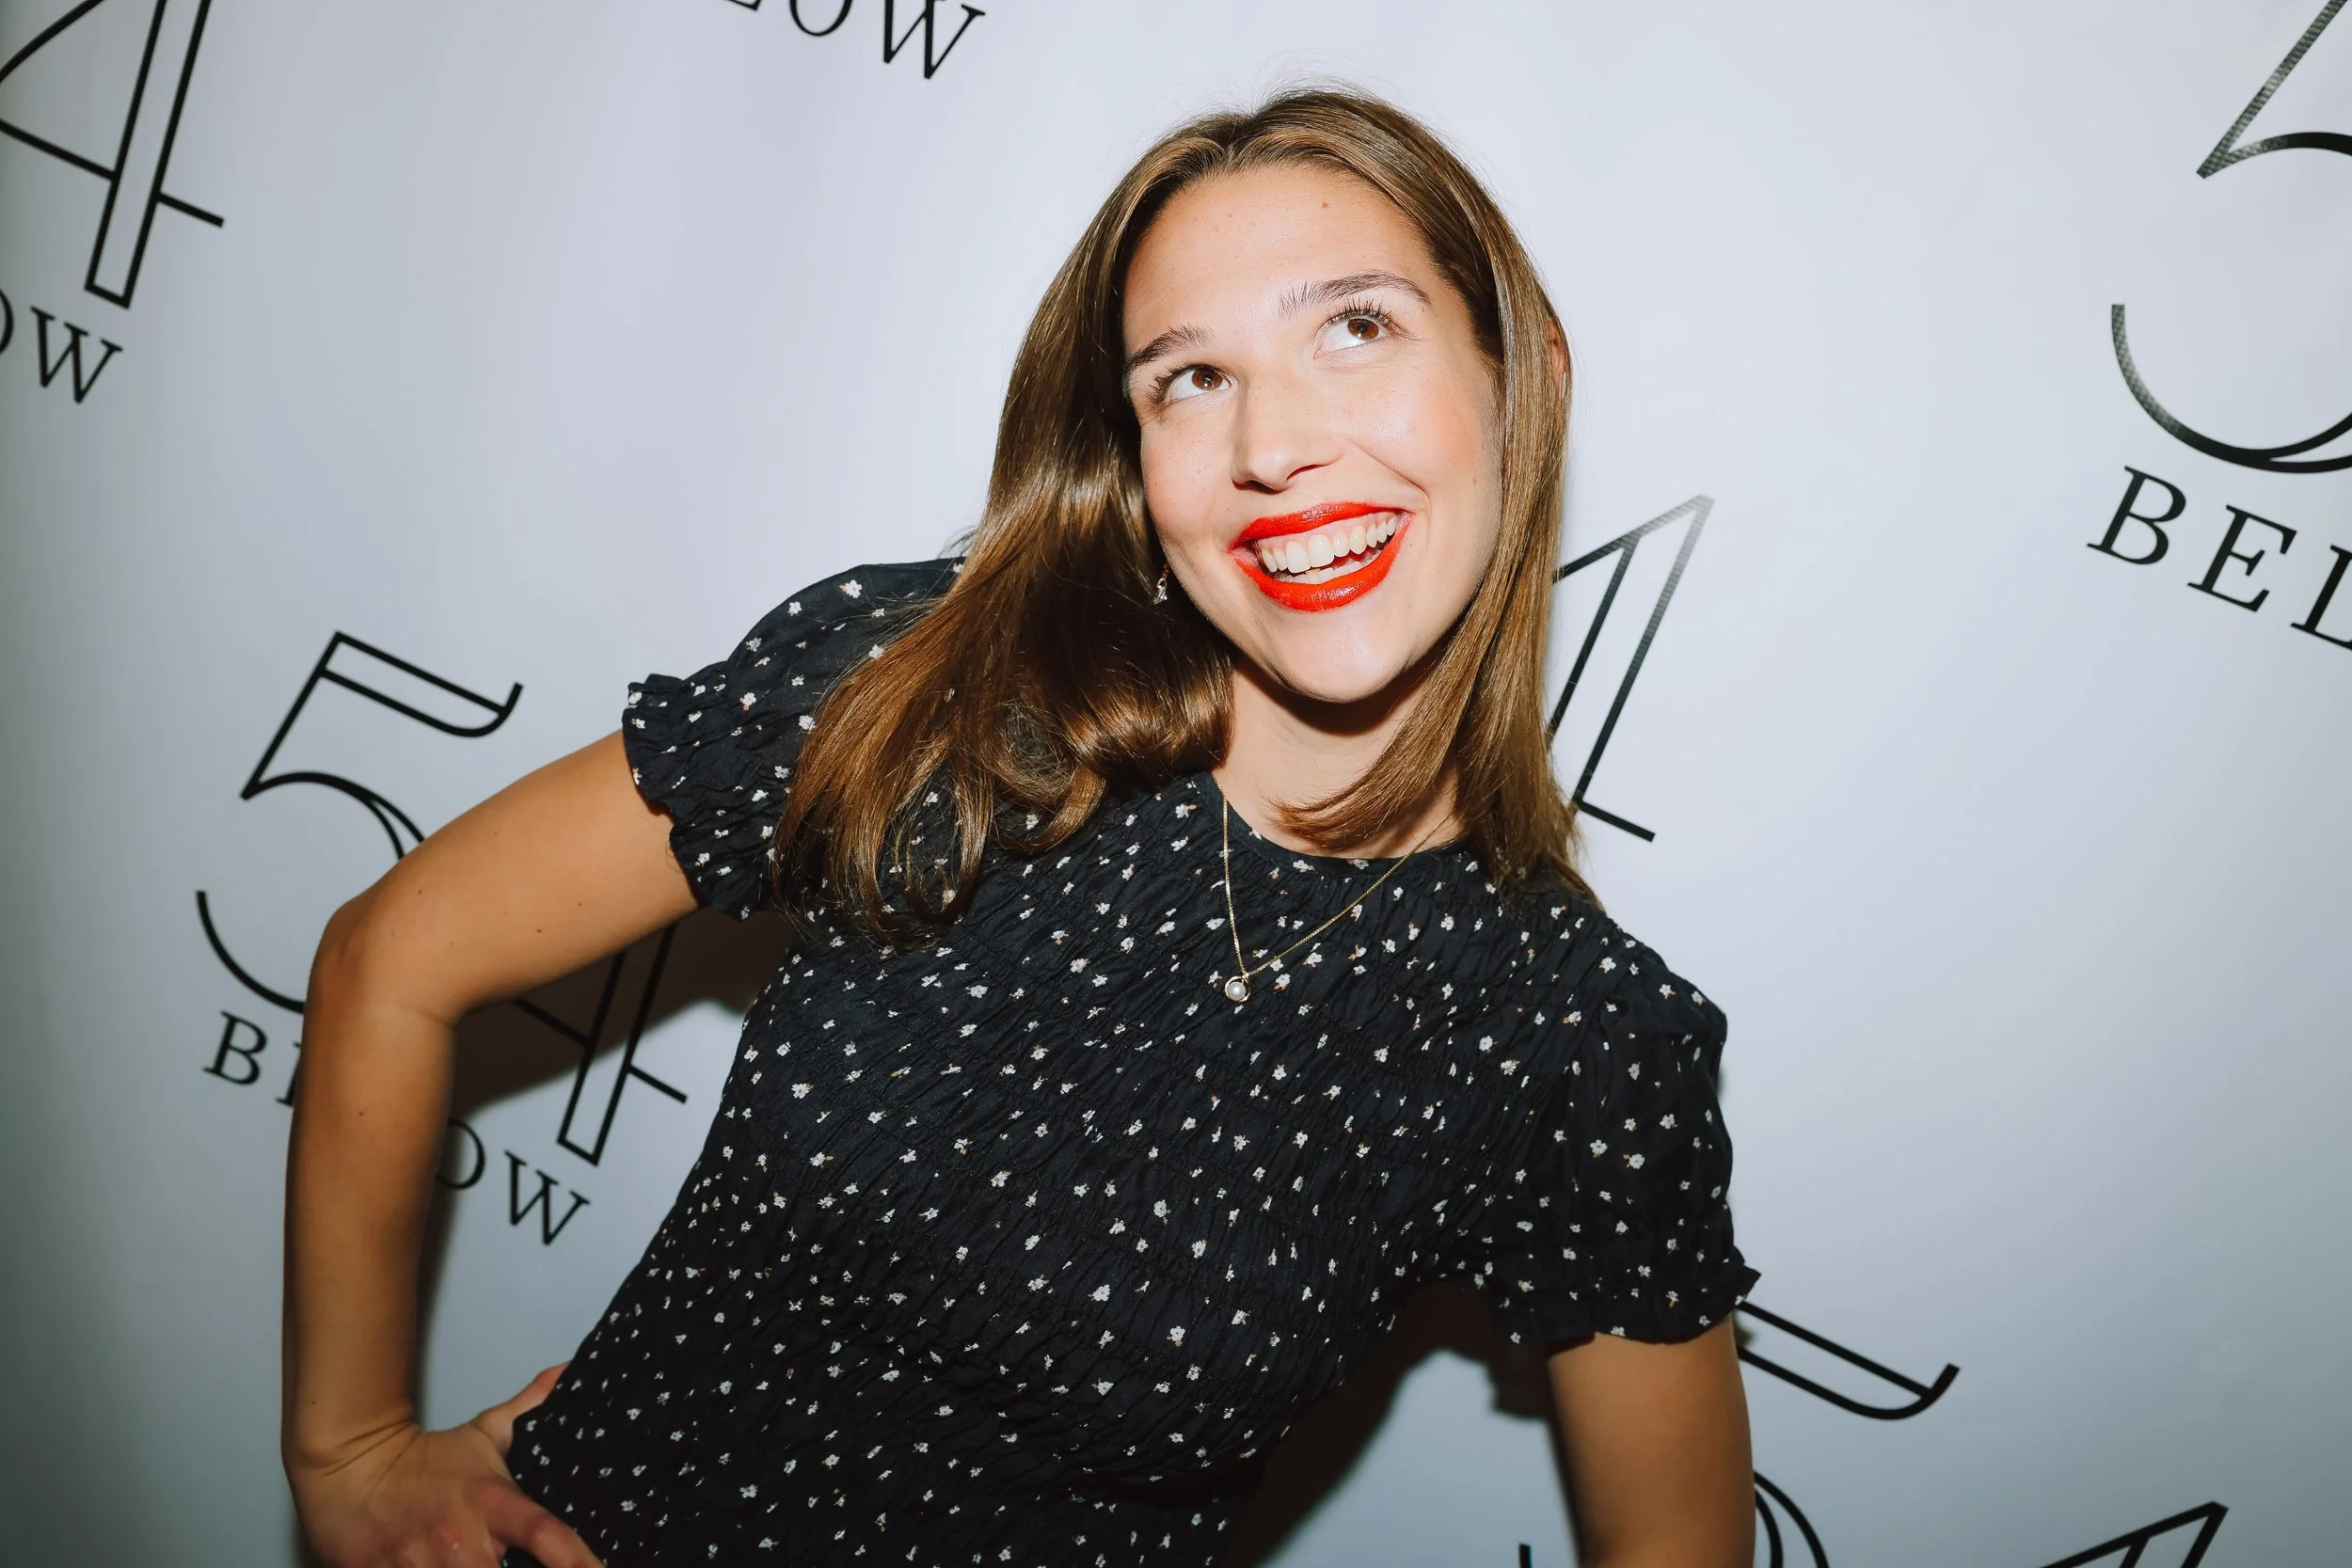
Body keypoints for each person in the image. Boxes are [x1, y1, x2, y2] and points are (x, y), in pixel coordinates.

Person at [283, 87, 1759, 1568]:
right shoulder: (942, 696)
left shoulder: (1575, 1034)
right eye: (1193, 378)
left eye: (1355, 329)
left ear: (1525, 375)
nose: (1272, 444)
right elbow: (389, 958)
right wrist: (347, 1451)